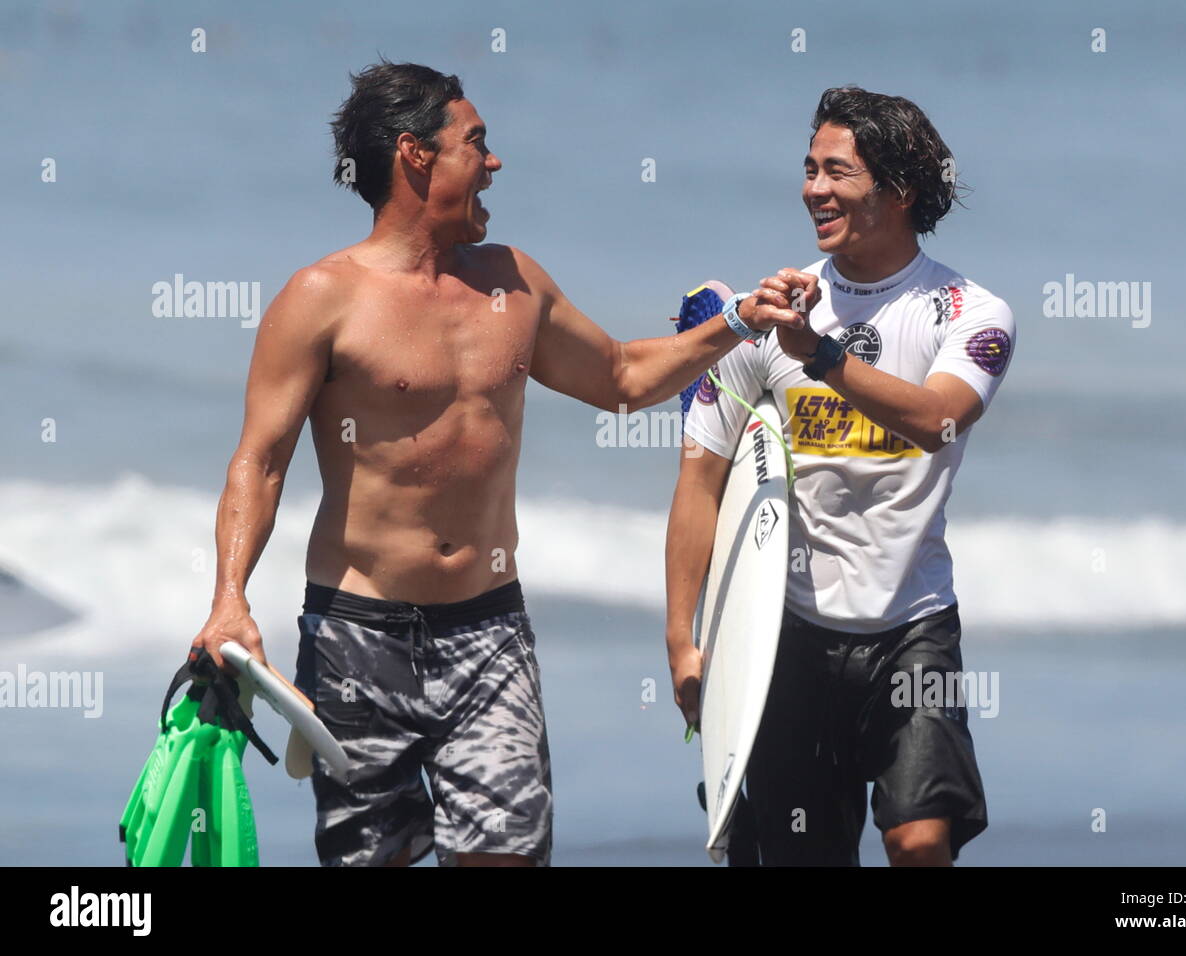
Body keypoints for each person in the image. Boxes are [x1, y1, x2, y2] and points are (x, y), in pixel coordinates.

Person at [190, 60, 803, 867]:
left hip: (489, 627)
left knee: (507, 856)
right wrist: (229, 599)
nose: (495, 162)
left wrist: (737, 321)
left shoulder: (512, 284)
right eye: (477, 143)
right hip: (356, 634)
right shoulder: (321, 298)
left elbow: (620, 376)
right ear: (416, 155)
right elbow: (258, 461)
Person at [666, 86, 1015, 866]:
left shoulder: (970, 311)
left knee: (922, 842)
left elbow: (936, 420)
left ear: (899, 192)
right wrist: (681, 637)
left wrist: (822, 358)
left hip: (915, 629)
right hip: (788, 635)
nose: (813, 188)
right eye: (809, 169)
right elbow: (701, 481)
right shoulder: (767, 318)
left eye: (837, 171)